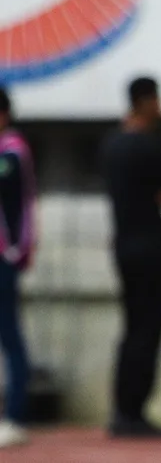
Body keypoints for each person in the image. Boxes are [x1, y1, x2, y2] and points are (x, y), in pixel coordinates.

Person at [102, 76, 161, 437]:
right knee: (148, 331)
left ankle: (123, 409)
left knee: (131, 329)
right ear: (146, 101)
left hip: (122, 246)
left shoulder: (112, 145)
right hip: (151, 248)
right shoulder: (148, 147)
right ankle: (134, 413)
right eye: (157, 99)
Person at [0, 88, 35, 449]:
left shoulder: (12, 151)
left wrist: (18, 250)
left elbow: (16, 197)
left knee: (9, 333)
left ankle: (17, 414)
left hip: (4, 257)